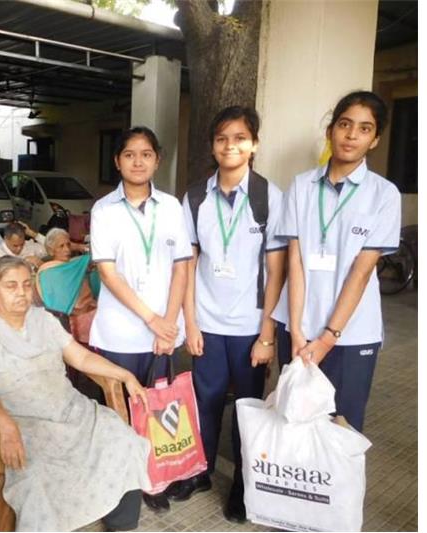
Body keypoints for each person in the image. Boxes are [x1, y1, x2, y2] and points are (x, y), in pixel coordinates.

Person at [0, 256, 152, 532]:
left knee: (124, 440)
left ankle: (121, 524)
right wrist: (6, 425)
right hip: (24, 422)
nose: (21, 293)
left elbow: (81, 359)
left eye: (26, 285)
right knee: (35, 478)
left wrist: (124, 375)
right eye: (11, 286)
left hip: (70, 411)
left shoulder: (43, 319)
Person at [177, 106, 288, 523]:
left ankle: (244, 484)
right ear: (213, 145)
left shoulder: (268, 197)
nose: (231, 145)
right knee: (204, 401)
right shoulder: (194, 197)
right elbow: (186, 265)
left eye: (240, 137)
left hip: (248, 327)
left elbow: (276, 273)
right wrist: (189, 322)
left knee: (247, 407)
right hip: (206, 321)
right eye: (223, 138)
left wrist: (267, 335)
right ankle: (201, 470)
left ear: (254, 144)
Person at [272, 91, 400, 434]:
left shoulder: (384, 195)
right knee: (295, 422)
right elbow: (295, 261)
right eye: (345, 124)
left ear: (374, 140)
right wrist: (297, 329)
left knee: (341, 429)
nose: (351, 135)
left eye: (364, 128)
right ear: (332, 130)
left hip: (351, 333)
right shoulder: (301, 186)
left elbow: (362, 271)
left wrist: (327, 338)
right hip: (297, 328)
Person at [89, 126, 192, 513]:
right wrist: (153, 318)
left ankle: (154, 479)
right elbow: (107, 273)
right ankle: (123, 486)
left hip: (161, 335)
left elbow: (182, 266)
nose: (137, 161)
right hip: (120, 334)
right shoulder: (103, 210)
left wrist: (169, 324)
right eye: (129, 154)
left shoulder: (171, 207)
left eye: (146, 154)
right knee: (119, 414)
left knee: (158, 409)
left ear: (157, 160)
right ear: (117, 161)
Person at [36, 228, 98, 344]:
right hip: (70, 320)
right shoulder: (49, 271)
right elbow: (60, 305)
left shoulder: (76, 264)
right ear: (51, 251)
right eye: (61, 246)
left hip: (90, 312)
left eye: (68, 245)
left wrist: (79, 247)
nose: (67, 249)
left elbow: (99, 254)